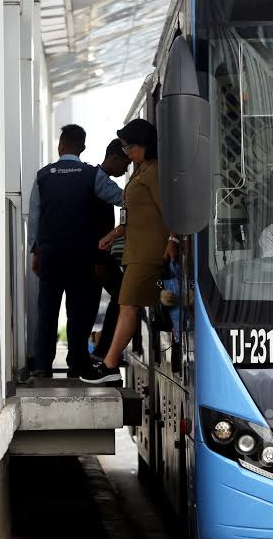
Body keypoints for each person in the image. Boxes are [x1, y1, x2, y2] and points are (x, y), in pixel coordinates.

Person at [80, 118, 177, 384]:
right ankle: (108, 364)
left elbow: (169, 211)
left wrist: (173, 240)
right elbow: (129, 213)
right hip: (134, 250)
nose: (126, 154)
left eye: (129, 148)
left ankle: (109, 366)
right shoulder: (139, 170)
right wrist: (112, 235)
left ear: (143, 145)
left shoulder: (154, 172)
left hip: (148, 251)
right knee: (127, 305)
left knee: (128, 306)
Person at [28, 124, 123, 378]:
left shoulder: (43, 176)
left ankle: (42, 366)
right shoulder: (91, 175)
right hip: (81, 255)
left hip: (50, 254)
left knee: (47, 308)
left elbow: (35, 217)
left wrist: (35, 251)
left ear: (61, 145)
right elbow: (122, 198)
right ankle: (77, 363)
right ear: (82, 147)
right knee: (77, 310)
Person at [90, 139, 131, 362]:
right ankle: (103, 350)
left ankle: (103, 349)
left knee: (118, 297)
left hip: (101, 256)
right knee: (123, 296)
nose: (125, 169)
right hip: (99, 257)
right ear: (114, 158)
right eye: (124, 164)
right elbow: (125, 198)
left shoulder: (97, 179)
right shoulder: (99, 180)